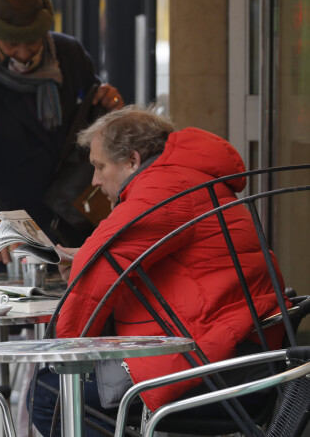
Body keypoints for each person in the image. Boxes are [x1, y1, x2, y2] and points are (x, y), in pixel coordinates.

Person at [30, 106, 289, 435]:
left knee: (49, 390)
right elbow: (164, 263)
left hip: (220, 371)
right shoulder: (189, 178)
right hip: (243, 356)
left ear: (132, 161)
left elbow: (98, 269)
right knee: (60, 387)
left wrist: (63, 352)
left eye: (99, 166)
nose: (94, 181)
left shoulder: (161, 187)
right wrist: (86, 259)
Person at [0, 0, 123, 274]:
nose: (24, 53)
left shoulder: (69, 54)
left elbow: (93, 115)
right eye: (12, 43)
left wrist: (109, 104)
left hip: (65, 225)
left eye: (33, 41)